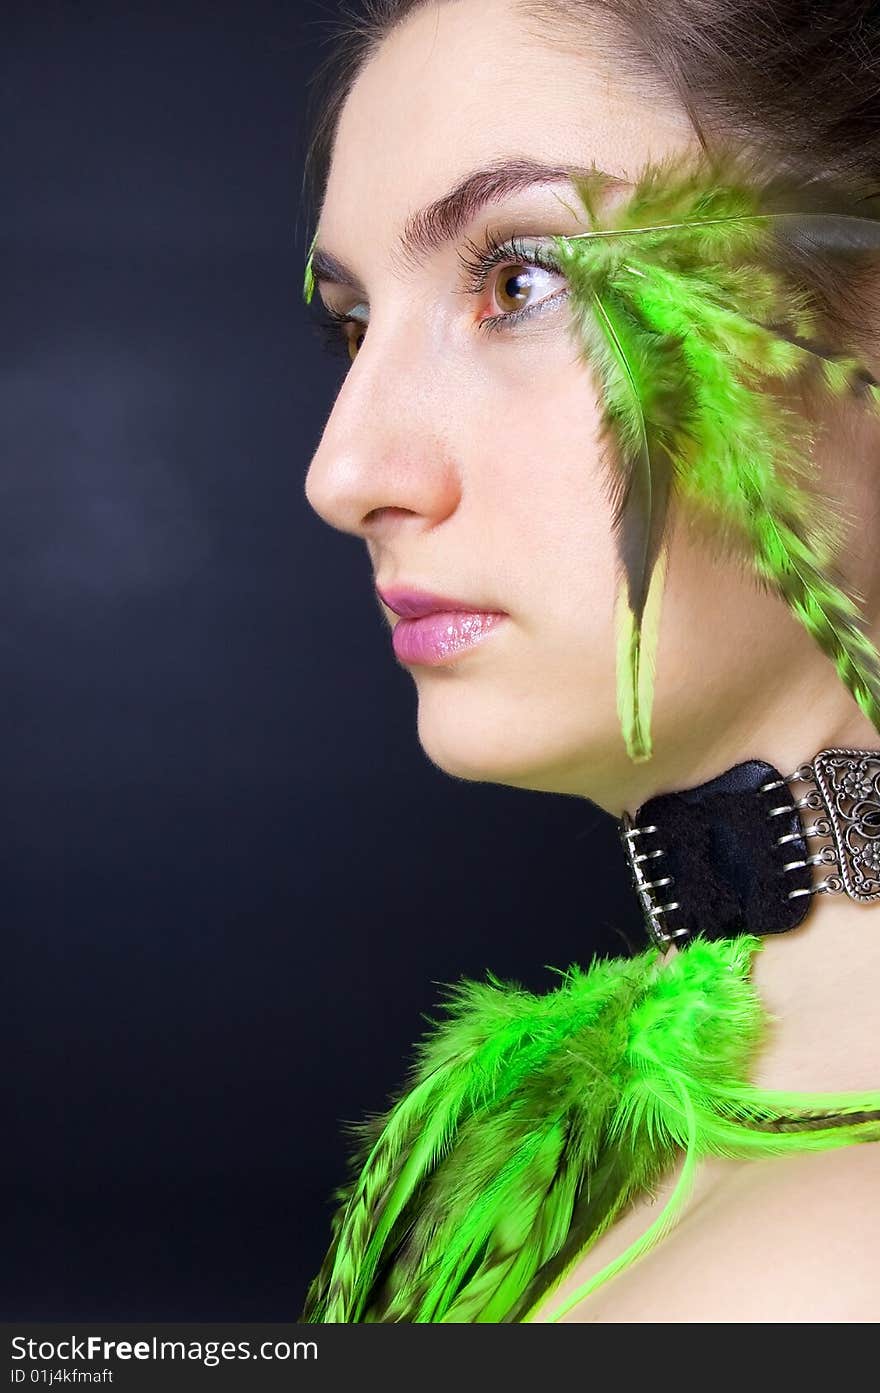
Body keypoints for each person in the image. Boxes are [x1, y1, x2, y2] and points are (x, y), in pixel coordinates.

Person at [298, 0, 880, 1321]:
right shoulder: (577, 1157)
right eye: (351, 324)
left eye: (522, 278)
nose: (346, 472)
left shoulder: (822, 1278)